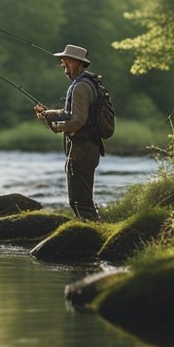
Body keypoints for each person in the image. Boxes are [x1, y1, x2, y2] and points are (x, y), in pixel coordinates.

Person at [35, 44, 104, 221]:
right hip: (88, 148)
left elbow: (78, 121)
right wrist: (48, 115)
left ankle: (92, 237)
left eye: (66, 59)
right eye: (62, 59)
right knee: (81, 200)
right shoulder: (87, 83)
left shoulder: (80, 87)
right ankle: (93, 232)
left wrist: (56, 128)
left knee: (80, 202)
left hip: (82, 150)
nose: (62, 62)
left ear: (77, 63)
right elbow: (69, 114)